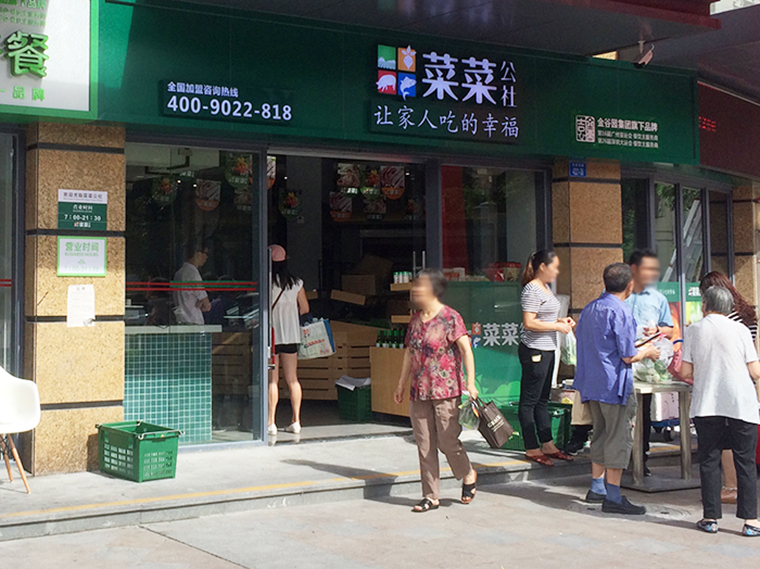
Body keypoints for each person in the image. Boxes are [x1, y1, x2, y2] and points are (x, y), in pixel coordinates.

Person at [575, 263, 660, 515]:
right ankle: (613, 495)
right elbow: (627, 355)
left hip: (591, 382)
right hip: (614, 385)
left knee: (600, 434)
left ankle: (597, 486)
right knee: (618, 437)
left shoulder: (589, 309)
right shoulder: (621, 311)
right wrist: (648, 351)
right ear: (629, 285)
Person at [394, 269, 478, 513]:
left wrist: (470, 383)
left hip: (446, 391)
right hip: (419, 391)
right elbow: (409, 353)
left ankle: (467, 472)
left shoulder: (450, 317)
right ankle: (430, 496)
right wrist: (401, 384)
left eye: (419, 286)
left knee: (448, 441)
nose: (415, 291)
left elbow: (466, 350)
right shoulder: (415, 320)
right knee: (425, 444)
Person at [681, 286, 760, 536]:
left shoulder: (694, 330)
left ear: (705, 304)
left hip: (707, 403)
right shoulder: (741, 330)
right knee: (745, 461)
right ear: (729, 307)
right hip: (741, 404)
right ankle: (751, 521)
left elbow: (685, 371)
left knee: (709, 459)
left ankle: (711, 517)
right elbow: (755, 370)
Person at [699, 271, 758, 505]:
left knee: (722, 445)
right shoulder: (748, 315)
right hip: (745, 386)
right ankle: (748, 512)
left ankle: (730, 487)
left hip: (721, 385)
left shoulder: (720, 322)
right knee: (744, 452)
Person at [519, 250, 575, 466]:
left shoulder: (545, 288)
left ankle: (548, 444)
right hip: (534, 350)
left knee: (542, 399)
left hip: (548, 348)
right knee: (529, 401)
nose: (557, 272)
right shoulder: (532, 288)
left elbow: (544, 317)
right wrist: (556, 326)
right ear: (542, 266)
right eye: (554, 267)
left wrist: (561, 321)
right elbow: (529, 322)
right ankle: (531, 447)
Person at [626, 250, 674, 476]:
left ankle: (641, 458)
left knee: (643, 411)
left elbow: (670, 330)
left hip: (645, 365)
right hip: (621, 360)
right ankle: (618, 459)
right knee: (619, 412)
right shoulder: (618, 294)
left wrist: (657, 330)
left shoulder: (658, 298)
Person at [268, 245, 309, 436]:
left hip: (272, 336)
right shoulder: (297, 283)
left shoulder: (266, 283)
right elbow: (305, 308)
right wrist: (291, 316)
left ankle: (271, 423)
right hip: (291, 336)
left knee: (272, 380)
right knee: (292, 379)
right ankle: (296, 421)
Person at [173, 245, 211, 325]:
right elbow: (207, 305)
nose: (207, 257)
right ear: (198, 253)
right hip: (193, 321)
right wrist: (202, 302)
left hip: (180, 320)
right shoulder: (193, 272)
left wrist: (200, 301)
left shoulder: (179, 273)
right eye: (206, 253)